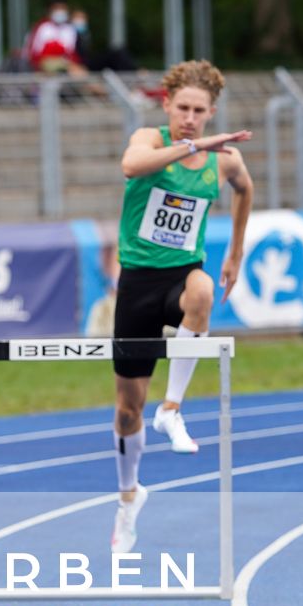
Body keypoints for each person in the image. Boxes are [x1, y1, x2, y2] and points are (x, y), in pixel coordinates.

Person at [109, 60, 254, 551]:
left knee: (204, 291)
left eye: (200, 112)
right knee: (128, 410)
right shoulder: (150, 139)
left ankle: (173, 408)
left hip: (180, 278)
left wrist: (235, 252)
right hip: (137, 285)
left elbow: (245, 189)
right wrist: (192, 147)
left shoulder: (225, 161)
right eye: (183, 109)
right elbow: (131, 167)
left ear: (212, 112)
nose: (190, 117)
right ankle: (129, 497)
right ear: (167, 105)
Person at [28, 1, 86, 76]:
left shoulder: (70, 29)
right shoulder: (43, 27)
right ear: (51, 12)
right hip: (46, 62)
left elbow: (71, 53)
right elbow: (34, 52)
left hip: (65, 63)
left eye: (62, 9)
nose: (60, 12)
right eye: (57, 9)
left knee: (80, 72)